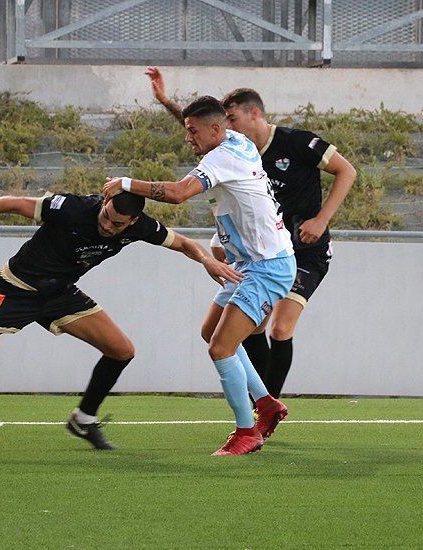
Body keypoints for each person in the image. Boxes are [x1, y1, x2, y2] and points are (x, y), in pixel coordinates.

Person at [0, 191, 241, 450]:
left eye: (119, 225)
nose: (109, 228)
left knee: (121, 350)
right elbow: (16, 203)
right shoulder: (72, 207)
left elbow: (182, 243)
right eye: (107, 218)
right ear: (104, 202)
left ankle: (83, 419)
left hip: (60, 294)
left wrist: (206, 259)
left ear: (134, 220)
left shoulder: (141, 226)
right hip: (16, 288)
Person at [145, 67, 356, 399]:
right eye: (223, 120)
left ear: (253, 113)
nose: (227, 126)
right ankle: (266, 404)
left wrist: (321, 220)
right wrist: (166, 101)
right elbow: (202, 129)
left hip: (303, 251)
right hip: (261, 251)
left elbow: (347, 170)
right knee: (250, 327)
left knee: (281, 326)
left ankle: (267, 407)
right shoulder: (236, 149)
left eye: (232, 118)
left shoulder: (295, 142)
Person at [103, 96, 295, 456]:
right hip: (249, 263)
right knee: (212, 332)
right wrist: (166, 101)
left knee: (220, 348)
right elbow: (207, 121)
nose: (188, 138)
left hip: (267, 266)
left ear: (216, 130)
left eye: (192, 132)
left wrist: (126, 183)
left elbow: (176, 194)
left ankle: (246, 431)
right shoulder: (237, 141)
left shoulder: (222, 155)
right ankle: (267, 404)